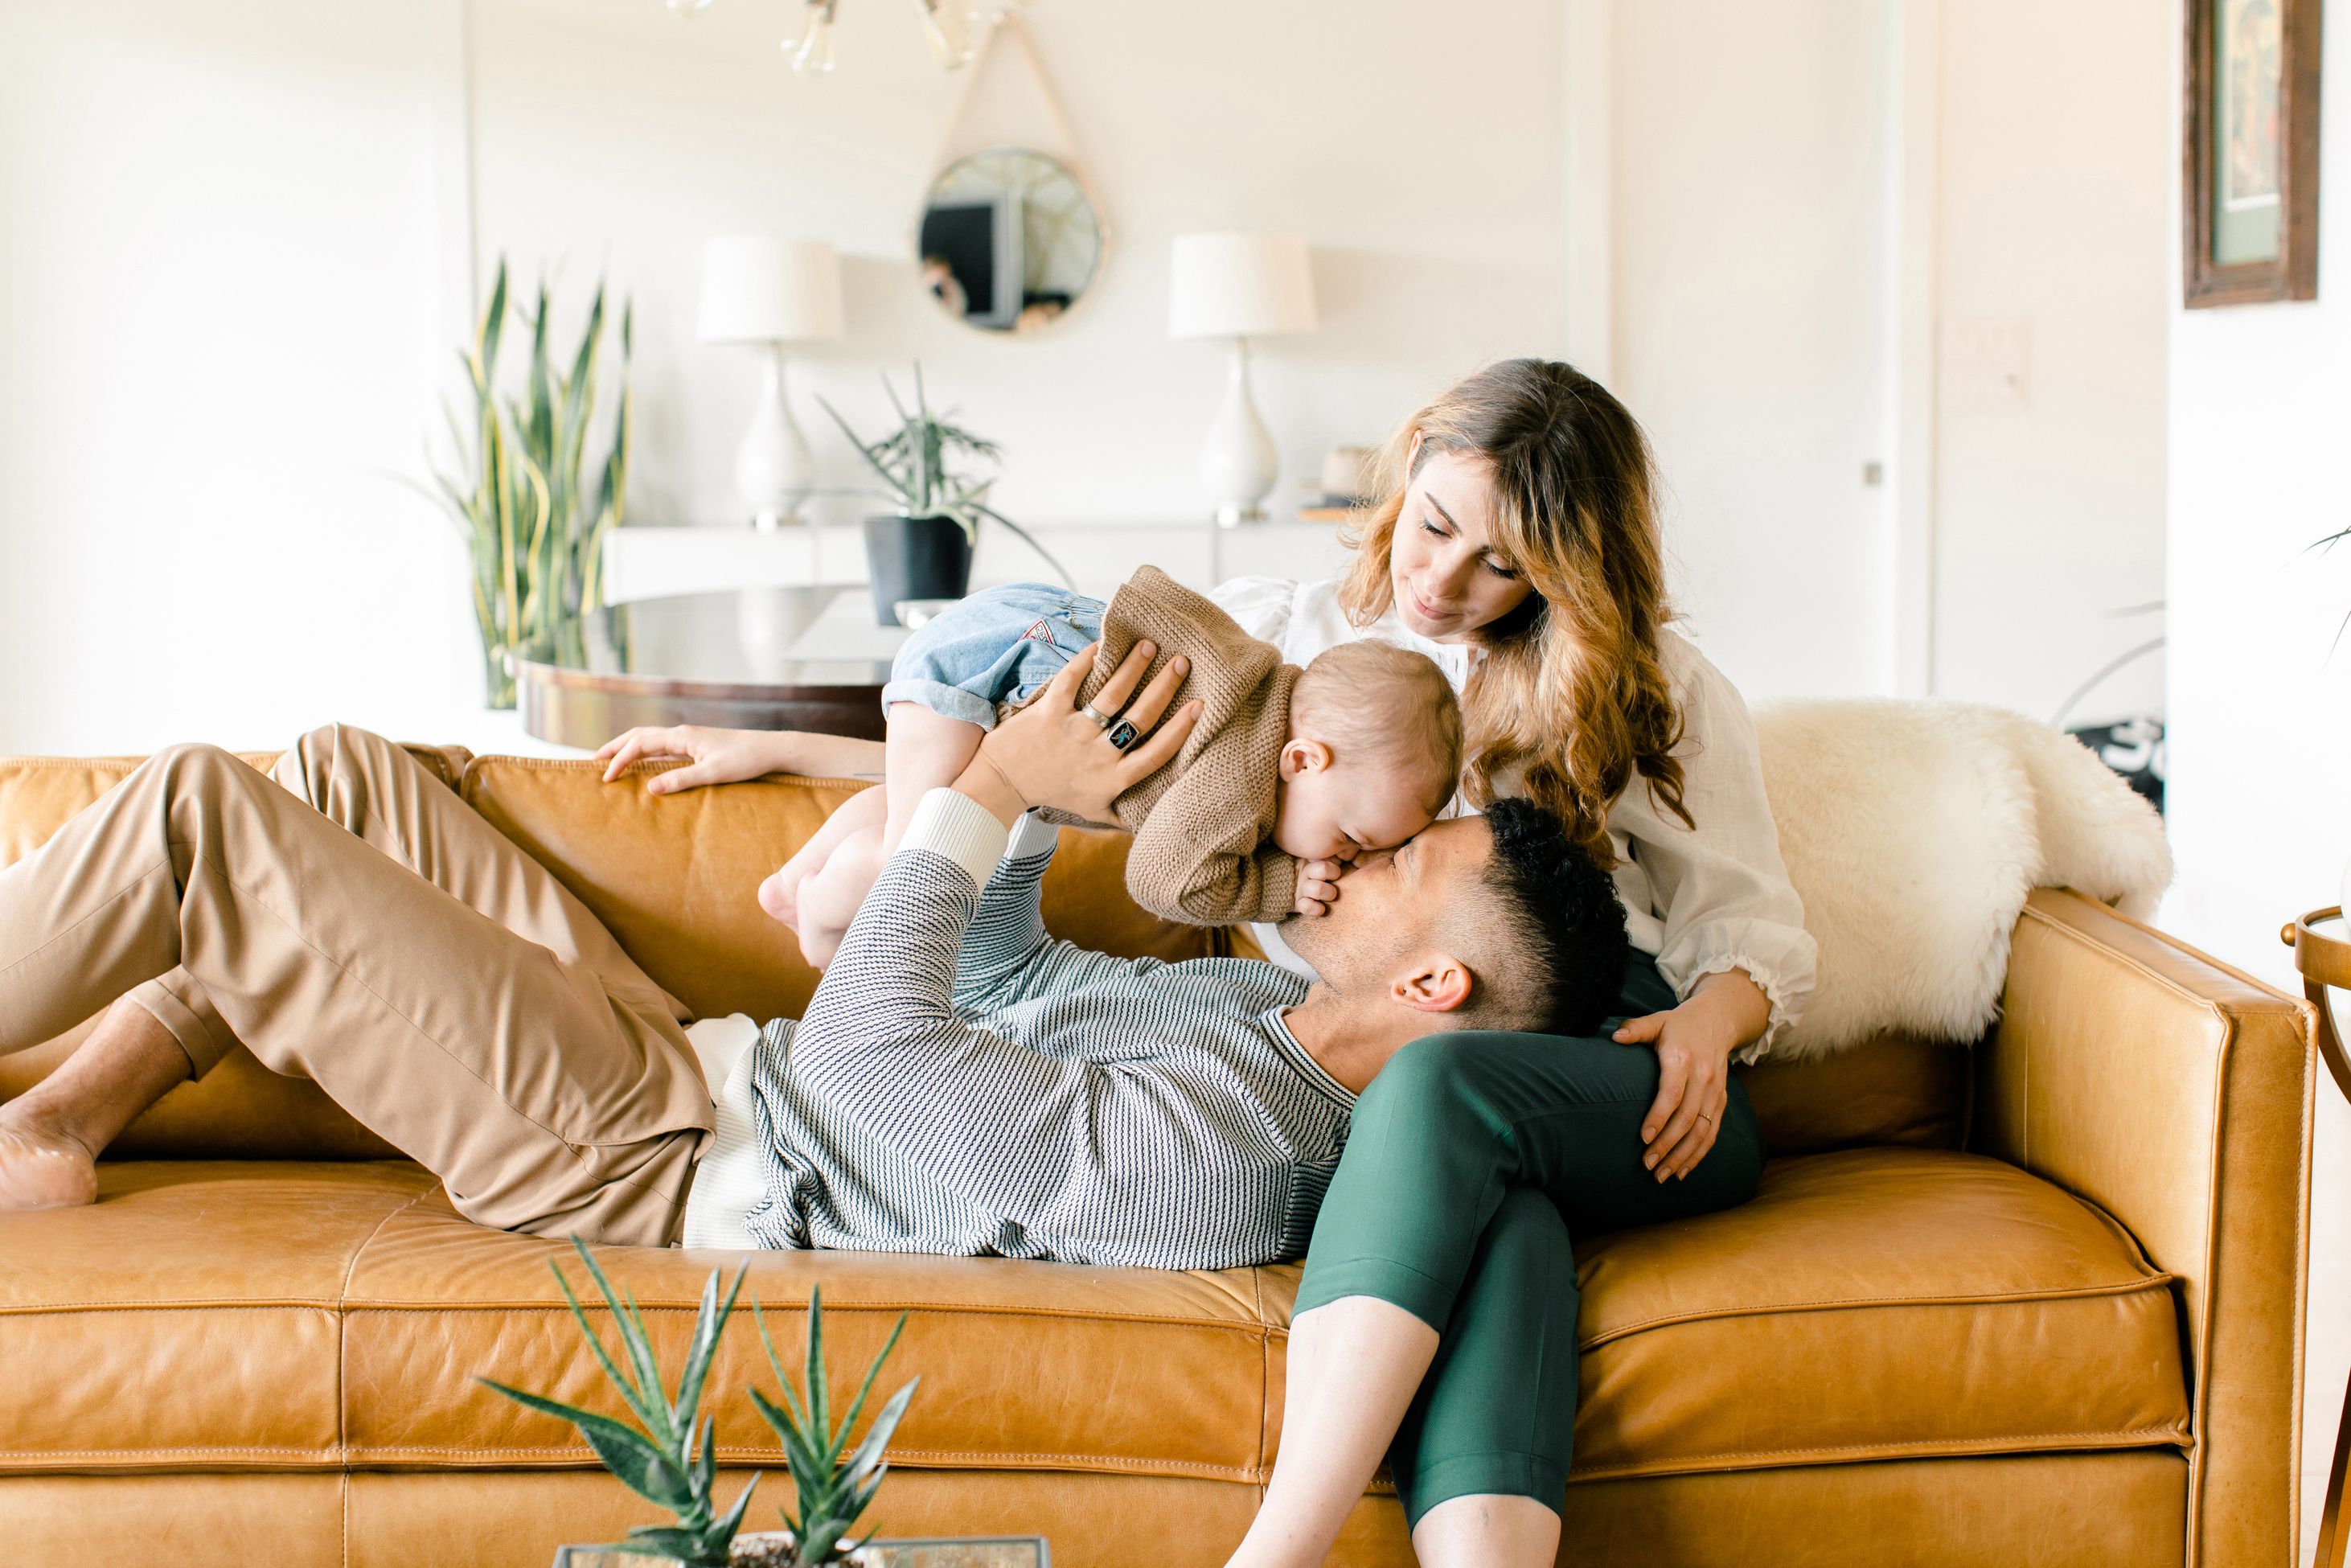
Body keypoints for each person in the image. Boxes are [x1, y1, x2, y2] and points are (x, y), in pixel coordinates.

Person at [607, 357, 1816, 1566]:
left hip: (1636, 1059)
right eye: (1438, 526)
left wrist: (1716, 1020)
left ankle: (1276, 1550)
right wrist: (772, 742)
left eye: (1504, 564)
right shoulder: (1302, 641)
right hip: (1431, 1053)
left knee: (1443, 1083)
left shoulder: (1652, 688)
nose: (1442, 582)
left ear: (1571, 569)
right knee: (1504, 1214)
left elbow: (1748, 920)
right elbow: (1059, 728)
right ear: (1407, 482)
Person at [0, 645, 1625, 1290]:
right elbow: (986, 988)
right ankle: (60, 1126)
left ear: (1437, 990)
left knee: (203, 815)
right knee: (344, 772)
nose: (1347, 858)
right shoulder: (1253, 1005)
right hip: (689, 1062)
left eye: (1406, 861)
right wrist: (1062, 780)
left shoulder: (1236, 1154)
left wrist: (987, 799)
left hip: (638, 1152)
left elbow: (871, 1063)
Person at [760, 564, 1463, 969]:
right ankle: (816, 915)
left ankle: (794, 878)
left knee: (926, 810)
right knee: (917, 865)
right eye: (1352, 837)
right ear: (1303, 759)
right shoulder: (1238, 780)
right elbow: (1163, 881)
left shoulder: (1259, 705)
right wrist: (1278, 886)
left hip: (1010, 632)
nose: (1343, 859)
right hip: (990, 669)